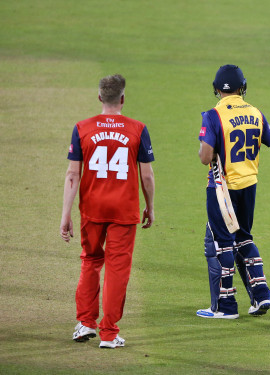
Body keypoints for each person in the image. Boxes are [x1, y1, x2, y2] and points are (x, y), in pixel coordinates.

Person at [60, 74, 155, 348]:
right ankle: (109, 334)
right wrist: (149, 206)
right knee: (117, 268)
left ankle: (85, 323)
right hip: (124, 210)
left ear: (100, 97)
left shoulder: (82, 128)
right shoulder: (138, 129)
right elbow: (146, 177)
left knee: (90, 261)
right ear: (123, 99)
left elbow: (71, 174)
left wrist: (66, 214)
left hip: (92, 209)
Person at [197, 64, 270, 319]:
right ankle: (261, 295)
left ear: (216, 89)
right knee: (244, 238)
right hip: (249, 185)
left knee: (223, 245)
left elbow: (205, 157)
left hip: (222, 188)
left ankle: (226, 307)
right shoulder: (255, 113)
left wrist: (210, 147)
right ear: (242, 87)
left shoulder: (213, 116)